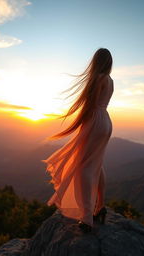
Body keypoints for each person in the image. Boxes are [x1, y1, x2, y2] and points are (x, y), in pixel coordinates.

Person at [41, 48, 114, 233]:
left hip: (95, 121)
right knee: (96, 164)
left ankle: (87, 217)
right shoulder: (110, 80)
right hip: (106, 121)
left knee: (83, 168)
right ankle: (100, 207)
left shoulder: (97, 78)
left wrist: (77, 125)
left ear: (96, 61)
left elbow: (89, 105)